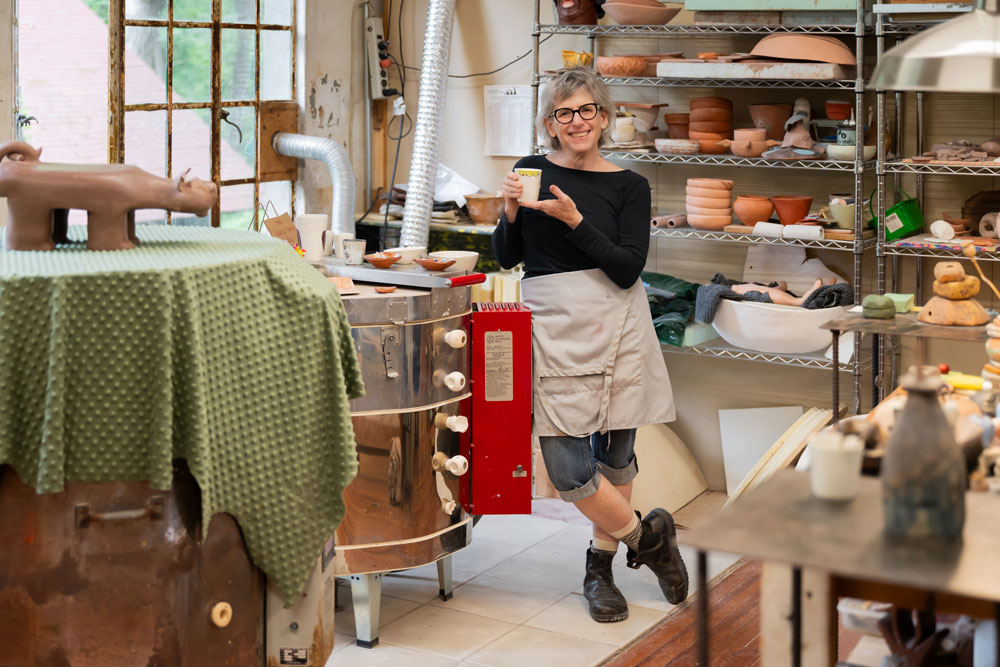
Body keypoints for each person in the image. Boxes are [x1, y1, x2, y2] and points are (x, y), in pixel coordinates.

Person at [492, 67, 688, 623]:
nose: (575, 122)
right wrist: (507, 213)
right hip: (553, 323)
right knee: (568, 465)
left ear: (602, 118)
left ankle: (599, 569)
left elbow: (628, 269)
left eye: (585, 111)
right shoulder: (530, 170)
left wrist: (576, 220)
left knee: (616, 457)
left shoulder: (630, 185)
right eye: (562, 113)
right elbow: (508, 257)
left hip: (617, 321)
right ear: (549, 124)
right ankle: (649, 541)